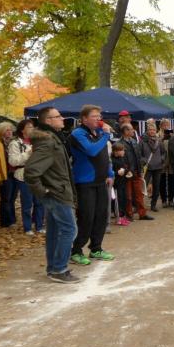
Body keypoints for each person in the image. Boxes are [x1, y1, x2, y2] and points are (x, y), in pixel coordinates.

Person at [24, 107, 79, 283]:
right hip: (57, 193)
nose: (62, 118)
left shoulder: (53, 138)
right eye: (58, 116)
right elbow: (31, 171)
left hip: (58, 190)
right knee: (70, 229)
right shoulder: (48, 141)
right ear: (48, 121)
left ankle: (54, 268)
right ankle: (59, 269)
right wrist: (43, 191)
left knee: (55, 232)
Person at [68, 105, 115, 266]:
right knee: (86, 217)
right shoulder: (78, 134)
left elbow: (104, 155)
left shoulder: (99, 133)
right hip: (85, 182)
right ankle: (76, 251)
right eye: (94, 116)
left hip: (100, 181)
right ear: (84, 119)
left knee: (101, 216)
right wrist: (106, 135)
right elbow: (92, 151)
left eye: (99, 116)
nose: (98, 119)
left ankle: (96, 248)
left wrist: (110, 173)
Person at [9, 119, 44, 235]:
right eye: (29, 127)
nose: (32, 129)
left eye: (32, 127)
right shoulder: (15, 143)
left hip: (39, 175)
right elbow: (13, 161)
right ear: (22, 130)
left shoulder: (38, 141)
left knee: (39, 202)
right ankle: (27, 227)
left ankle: (39, 226)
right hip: (23, 176)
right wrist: (28, 153)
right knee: (27, 203)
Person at [119, 123, 153, 221]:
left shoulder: (134, 141)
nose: (133, 131)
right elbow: (119, 159)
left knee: (139, 194)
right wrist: (126, 170)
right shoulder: (120, 143)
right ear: (126, 131)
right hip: (127, 173)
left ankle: (142, 214)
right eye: (131, 129)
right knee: (128, 196)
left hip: (136, 171)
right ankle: (129, 215)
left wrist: (141, 168)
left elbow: (138, 156)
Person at [0, 121, 18, 228]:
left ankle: (12, 219)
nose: (10, 132)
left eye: (10, 130)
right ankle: (6, 221)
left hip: (14, 174)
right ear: (1, 131)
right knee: (6, 198)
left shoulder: (13, 142)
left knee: (13, 198)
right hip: (4, 174)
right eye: (7, 130)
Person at [140, 123, 166, 212]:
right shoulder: (142, 141)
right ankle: (140, 205)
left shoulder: (159, 141)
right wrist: (145, 161)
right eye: (150, 130)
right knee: (143, 186)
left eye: (153, 130)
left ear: (156, 131)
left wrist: (161, 159)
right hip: (147, 167)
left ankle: (153, 205)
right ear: (147, 131)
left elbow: (163, 153)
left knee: (156, 186)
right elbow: (139, 154)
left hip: (158, 167)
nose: (152, 131)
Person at [110, 143, 130, 226]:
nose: (123, 152)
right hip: (116, 184)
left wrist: (126, 172)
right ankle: (118, 218)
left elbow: (126, 168)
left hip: (123, 182)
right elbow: (110, 172)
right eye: (121, 150)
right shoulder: (112, 160)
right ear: (116, 151)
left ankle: (123, 216)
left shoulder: (122, 158)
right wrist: (117, 173)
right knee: (118, 201)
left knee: (123, 199)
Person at [158, 118, 174, 208]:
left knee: (171, 180)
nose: (166, 127)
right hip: (162, 161)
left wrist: (172, 137)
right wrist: (161, 139)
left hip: (171, 160)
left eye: (167, 125)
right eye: (164, 125)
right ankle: (164, 200)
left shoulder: (172, 134)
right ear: (160, 126)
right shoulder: (157, 135)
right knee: (162, 180)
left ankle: (171, 199)